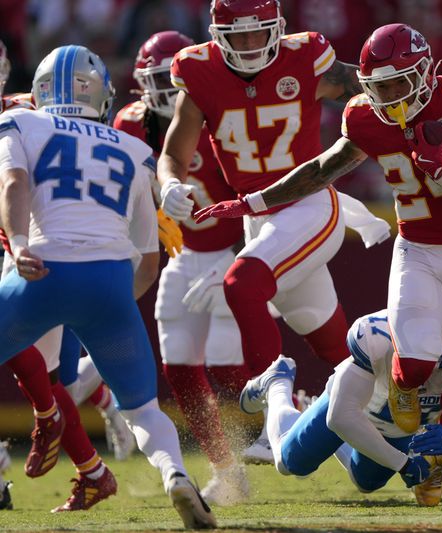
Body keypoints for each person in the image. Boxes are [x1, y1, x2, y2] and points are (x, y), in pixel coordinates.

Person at [193, 23, 442, 471]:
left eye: (400, 81)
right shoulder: (365, 116)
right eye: (381, 87)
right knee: (411, 365)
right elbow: (322, 168)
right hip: (418, 248)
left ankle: (436, 466)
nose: (394, 96)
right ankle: (319, 390)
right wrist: (253, 202)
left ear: (424, 71)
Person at [0, 45, 215, 528]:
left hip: (41, 268)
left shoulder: (21, 123)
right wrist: (110, 305)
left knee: (41, 369)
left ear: (39, 90)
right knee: (142, 410)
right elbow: (149, 258)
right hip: (111, 280)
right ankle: (176, 475)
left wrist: (17, 244)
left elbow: (13, 183)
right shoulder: (135, 150)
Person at [158, 0, 364, 406]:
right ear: (217, 36)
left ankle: (276, 406)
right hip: (259, 216)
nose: (251, 43)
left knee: (241, 285)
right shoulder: (200, 73)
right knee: (326, 338)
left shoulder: (306, 58)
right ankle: (382, 411)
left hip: (309, 203)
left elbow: (379, 89)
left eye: (259, 31)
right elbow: (173, 156)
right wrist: (168, 186)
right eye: (239, 34)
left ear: (278, 27)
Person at [115, 29, 250, 506]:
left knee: (235, 373)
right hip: (181, 255)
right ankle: (227, 469)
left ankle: (298, 418)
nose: (170, 93)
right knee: (179, 368)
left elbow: (254, 193)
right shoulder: (128, 126)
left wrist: (242, 257)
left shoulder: (221, 119)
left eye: (176, 80)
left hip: (234, 250)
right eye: (159, 81)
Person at [0, 38, 125, 511]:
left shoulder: (31, 113)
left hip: (35, 250)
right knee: (45, 377)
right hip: (25, 253)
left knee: (47, 375)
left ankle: (54, 418)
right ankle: (92, 470)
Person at [238, 310, 442, 506]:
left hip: (397, 427)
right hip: (353, 408)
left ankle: (308, 409)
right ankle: (278, 382)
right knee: (290, 463)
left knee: (366, 482)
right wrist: (402, 463)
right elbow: (341, 417)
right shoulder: (377, 335)